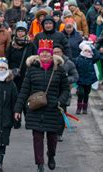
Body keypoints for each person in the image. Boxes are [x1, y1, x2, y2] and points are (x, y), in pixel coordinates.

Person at [13, 39, 69, 172]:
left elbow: (66, 89)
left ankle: (51, 155)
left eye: (47, 53)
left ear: (51, 55)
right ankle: (40, 164)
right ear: (38, 55)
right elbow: (24, 90)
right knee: (37, 138)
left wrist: (60, 101)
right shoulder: (31, 70)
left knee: (52, 137)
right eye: (42, 53)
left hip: (53, 109)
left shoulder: (59, 70)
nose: (44, 55)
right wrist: (18, 109)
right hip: (35, 109)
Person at [52, 44, 78, 141]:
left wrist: (65, 79)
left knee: (61, 113)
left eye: (58, 52)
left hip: (64, 91)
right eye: (54, 52)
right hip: (51, 92)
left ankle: (59, 133)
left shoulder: (68, 63)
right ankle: (51, 132)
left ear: (62, 52)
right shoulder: (48, 62)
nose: (56, 54)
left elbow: (75, 76)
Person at [74, 41, 100, 115]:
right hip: (81, 79)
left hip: (89, 79)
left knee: (86, 94)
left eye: (88, 51)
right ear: (82, 51)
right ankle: (79, 107)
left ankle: (85, 107)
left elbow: (97, 56)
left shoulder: (91, 59)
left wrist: (93, 48)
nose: (87, 52)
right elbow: (75, 68)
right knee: (81, 93)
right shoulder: (78, 59)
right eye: (85, 50)